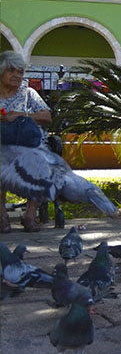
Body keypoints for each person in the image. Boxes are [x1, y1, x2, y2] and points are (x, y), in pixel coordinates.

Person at [0, 51, 52, 232]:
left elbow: (47, 116)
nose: (17, 75)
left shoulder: (28, 93)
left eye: (20, 72)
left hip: (29, 145)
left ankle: (30, 213)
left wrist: (20, 115)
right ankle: (2, 215)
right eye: (11, 71)